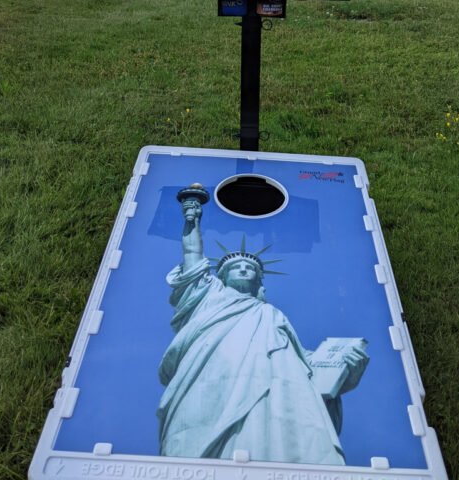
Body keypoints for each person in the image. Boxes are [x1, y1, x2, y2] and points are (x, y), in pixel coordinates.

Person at [157, 184, 368, 464]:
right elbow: (192, 255)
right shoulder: (208, 296)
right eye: (235, 267)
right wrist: (192, 219)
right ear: (222, 277)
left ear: (259, 283)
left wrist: (342, 366)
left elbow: (302, 363)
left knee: (275, 437)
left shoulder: (271, 315)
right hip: (214, 376)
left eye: (251, 269)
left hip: (275, 389)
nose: (244, 269)